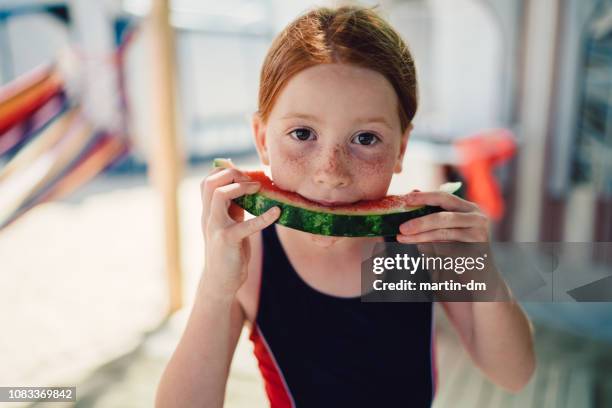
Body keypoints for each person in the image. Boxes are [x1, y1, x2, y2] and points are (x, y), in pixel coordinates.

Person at [156, 5, 535, 407]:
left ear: (401, 148)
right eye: (303, 133)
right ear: (263, 139)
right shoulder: (250, 263)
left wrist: (481, 268)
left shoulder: (422, 246)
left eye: (366, 139)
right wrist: (215, 288)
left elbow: (513, 374)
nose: (330, 172)